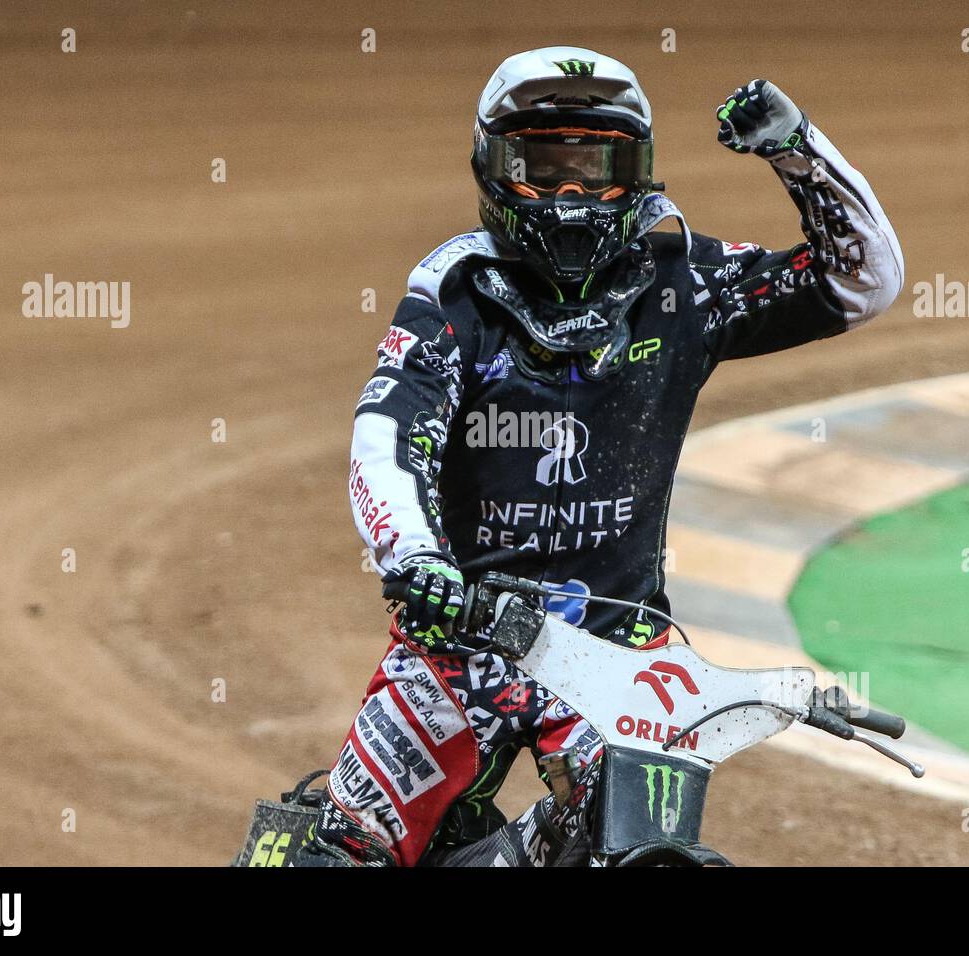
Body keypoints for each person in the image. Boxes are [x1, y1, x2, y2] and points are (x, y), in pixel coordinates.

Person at [305, 46, 903, 866]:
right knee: (331, 853)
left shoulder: (684, 284)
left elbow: (864, 280)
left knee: (649, 855)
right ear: (493, 168)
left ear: (642, 172)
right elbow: (387, 437)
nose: (572, 194)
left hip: (624, 652)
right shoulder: (458, 292)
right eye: (543, 168)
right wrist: (413, 561)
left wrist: (796, 148)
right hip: (461, 642)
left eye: (598, 166)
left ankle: (541, 847)